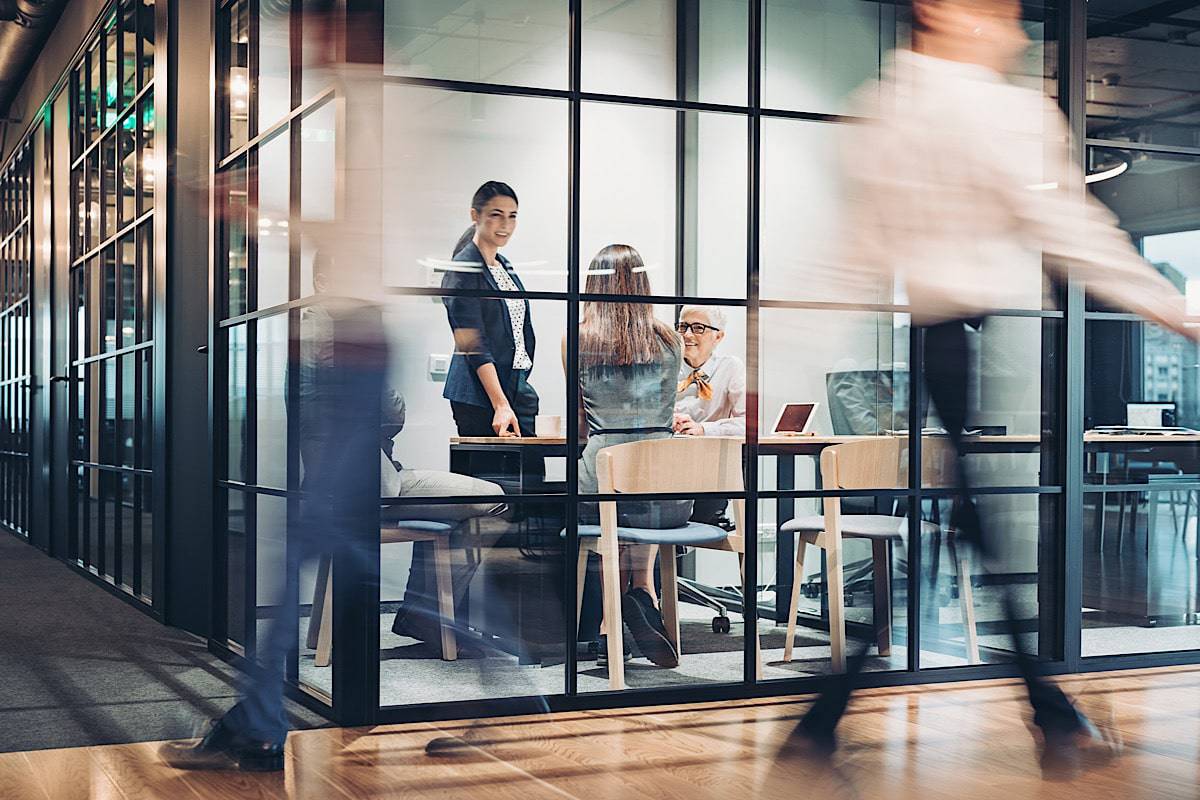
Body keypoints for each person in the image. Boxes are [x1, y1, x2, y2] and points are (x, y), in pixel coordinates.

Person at [784, 0, 1197, 777]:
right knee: (972, 532)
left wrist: (785, 331)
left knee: (959, 533)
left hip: (946, 338)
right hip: (960, 340)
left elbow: (852, 251)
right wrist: (1168, 307)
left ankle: (839, 720)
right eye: (997, 9)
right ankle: (1046, 715)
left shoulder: (886, 108)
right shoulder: (991, 110)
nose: (1011, 24)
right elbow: (1071, 229)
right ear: (944, 12)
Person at [162, 252, 387, 772]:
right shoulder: (333, 326)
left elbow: (333, 412)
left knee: (310, 580)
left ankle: (258, 726)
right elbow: (323, 409)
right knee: (312, 582)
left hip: (344, 478)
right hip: (341, 475)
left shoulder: (351, 328)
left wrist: (327, 483)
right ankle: (259, 725)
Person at [563, 244, 691, 669]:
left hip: (606, 481)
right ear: (644, 284)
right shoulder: (670, 338)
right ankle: (643, 593)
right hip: (670, 495)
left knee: (611, 506)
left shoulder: (577, 337)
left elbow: (581, 424)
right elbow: (665, 413)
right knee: (641, 491)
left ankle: (608, 622)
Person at [381, 389, 510, 654]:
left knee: (447, 511)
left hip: (333, 490)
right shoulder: (342, 366)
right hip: (374, 487)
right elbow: (392, 411)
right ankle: (430, 617)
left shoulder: (306, 372)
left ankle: (422, 615)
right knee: (496, 499)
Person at [442, 181, 539, 484]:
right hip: (481, 393)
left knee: (529, 484)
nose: (505, 225)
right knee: (491, 490)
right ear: (476, 215)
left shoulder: (503, 265)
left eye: (512, 216)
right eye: (496, 214)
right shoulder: (464, 267)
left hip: (515, 384)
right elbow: (474, 342)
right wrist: (500, 403)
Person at [673, 305, 746, 525]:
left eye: (698, 328)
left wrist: (704, 429)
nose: (687, 335)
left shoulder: (730, 367)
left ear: (718, 336)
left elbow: (749, 424)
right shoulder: (665, 365)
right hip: (668, 466)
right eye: (683, 327)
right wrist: (670, 421)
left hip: (709, 471)